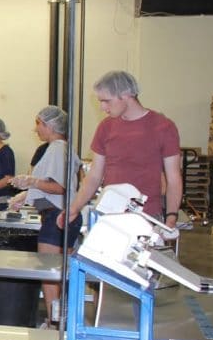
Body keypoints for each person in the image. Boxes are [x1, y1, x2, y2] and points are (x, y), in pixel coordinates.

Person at [62, 70, 181, 226]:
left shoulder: (163, 127)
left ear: (126, 95)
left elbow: (173, 178)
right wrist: (73, 209)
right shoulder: (106, 127)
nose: (102, 107)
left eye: (107, 101)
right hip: (110, 215)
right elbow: (94, 176)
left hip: (147, 218)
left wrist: (171, 217)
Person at [12, 106, 82, 327]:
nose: (36, 129)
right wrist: (26, 193)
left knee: (50, 274)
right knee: (61, 273)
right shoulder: (63, 149)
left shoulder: (56, 149)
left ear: (50, 126)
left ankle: (54, 321)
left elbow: (60, 187)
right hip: (64, 215)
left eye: (39, 124)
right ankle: (60, 319)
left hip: (56, 217)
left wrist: (31, 181)